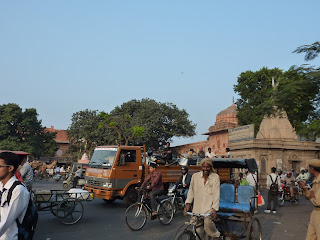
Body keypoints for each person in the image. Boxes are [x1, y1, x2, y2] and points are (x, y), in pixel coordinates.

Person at [185, 159, 220, 239]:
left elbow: (216, 194)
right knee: (198, 230)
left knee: (208, 225)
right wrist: (188, 203)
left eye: (208, 167)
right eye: (204, 167)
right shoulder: (195, 176)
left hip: (209, 209)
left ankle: (217, 236)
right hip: (197, 208)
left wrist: (215, 209)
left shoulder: (215, 177)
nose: (205, 169)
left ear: (210, 167)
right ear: (201, 167)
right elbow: (191, 191)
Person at [0, 152, 30, 239]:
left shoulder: (19, 190)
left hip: (10, 237)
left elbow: (6, 220)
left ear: (10, 168)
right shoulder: (1, 185)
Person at [299, 159, 320, 240]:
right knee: (310, 237)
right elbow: (310, 195)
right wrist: (304, 189)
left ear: (312, 169)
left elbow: (317, 201)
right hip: (315, 212)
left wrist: (312, 197)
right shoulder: (315, 181)